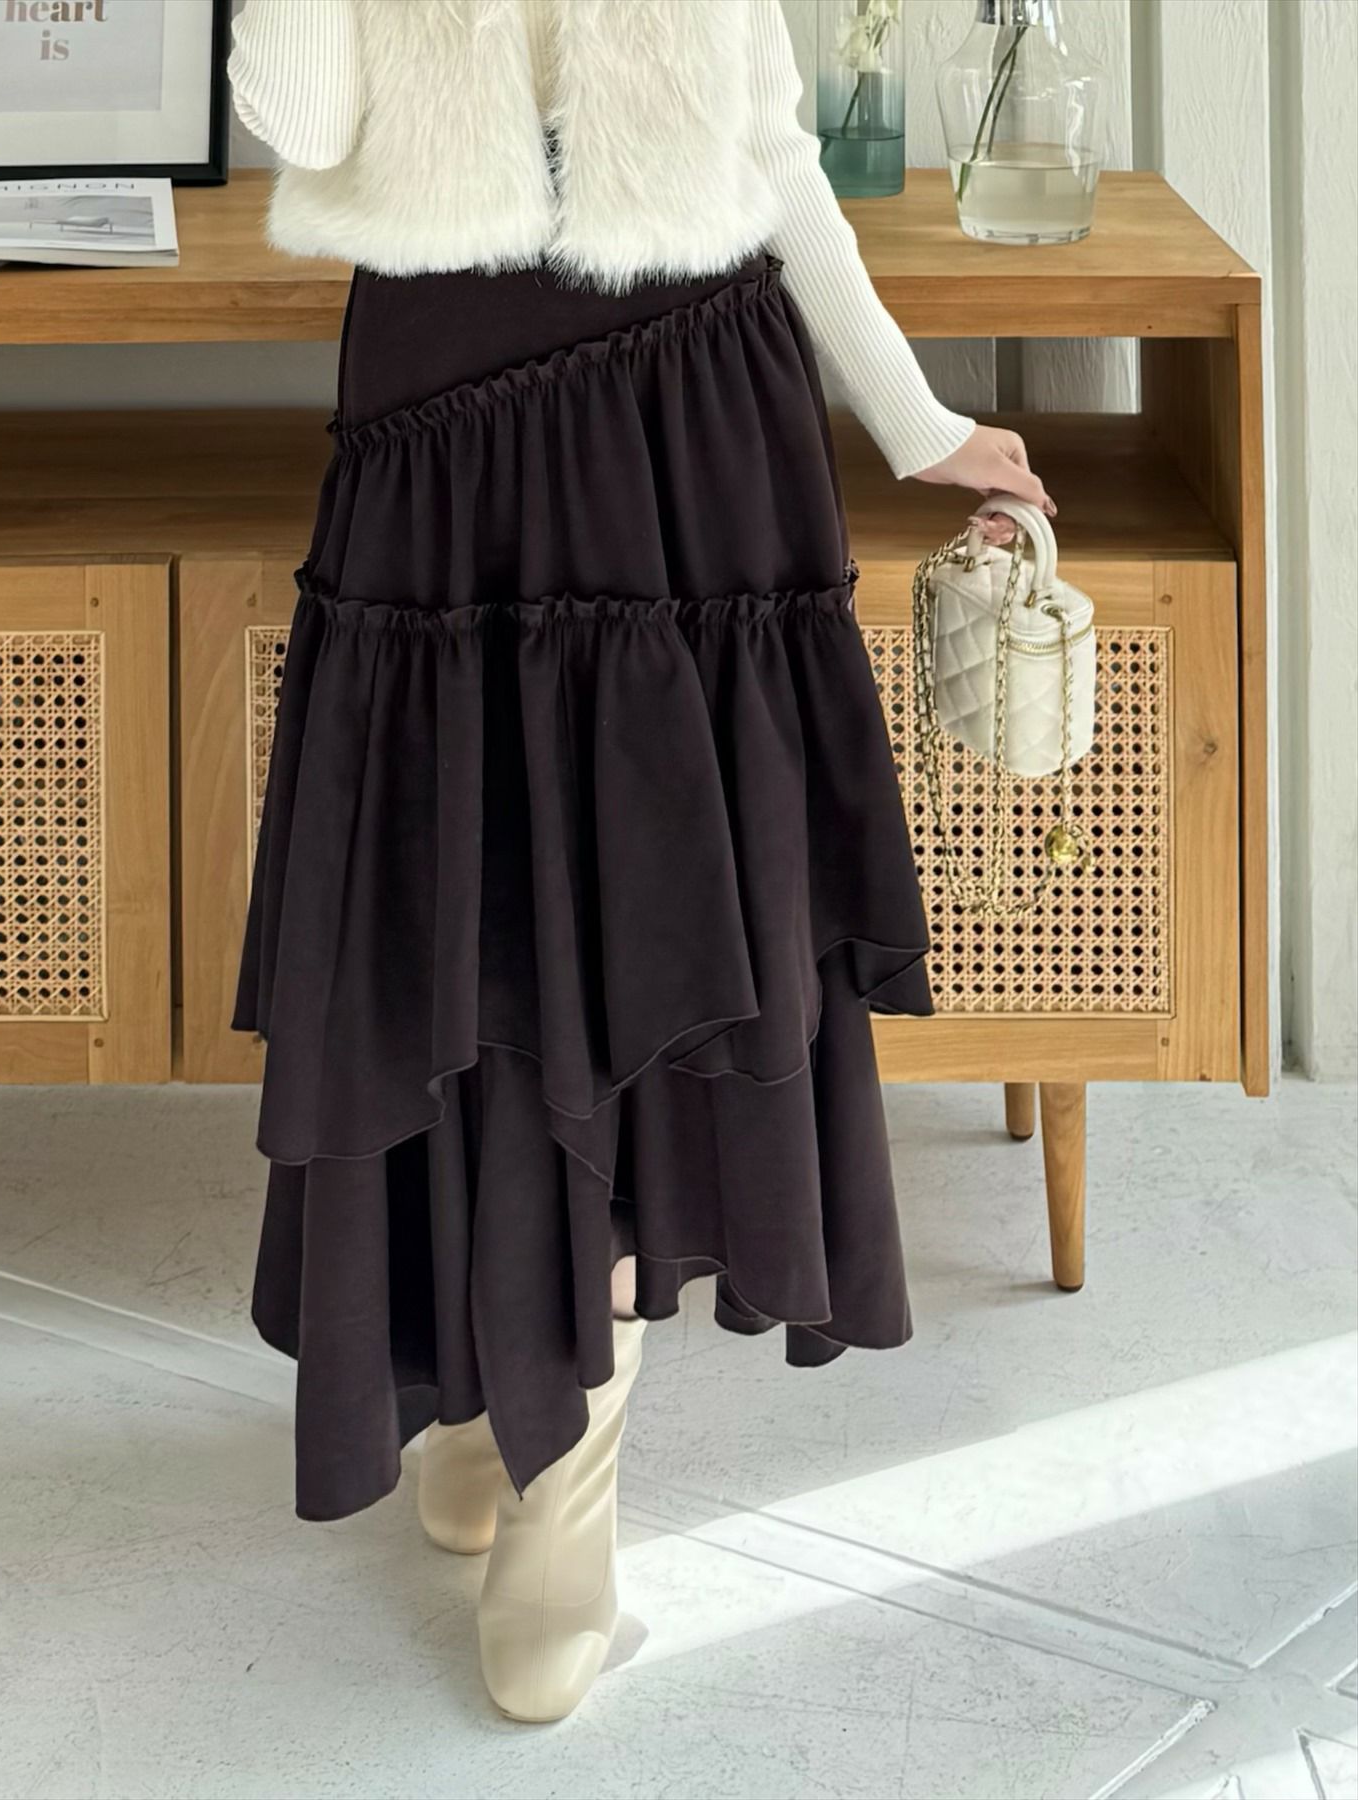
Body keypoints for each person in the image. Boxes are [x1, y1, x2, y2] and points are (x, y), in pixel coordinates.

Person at [227, 0, 1053, 1724]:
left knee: (639, 939)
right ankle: (483, 1391)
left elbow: (773, 156)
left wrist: (912, 420)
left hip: (696, 426)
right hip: (441, 434)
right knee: (454, 917)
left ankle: (562, 1495)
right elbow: (297, 124)